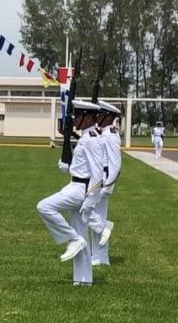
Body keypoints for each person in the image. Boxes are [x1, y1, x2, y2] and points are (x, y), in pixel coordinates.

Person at [36, 100, 104, 286]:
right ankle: (83, 280)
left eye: (78, 116)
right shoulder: (86, 138)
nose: (74, 119)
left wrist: (91, 200)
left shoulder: (90, 140)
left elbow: (98, 173)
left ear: (88, 117)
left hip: (80, 190)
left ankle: (72, 238)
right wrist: (69, 167)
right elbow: (84, 168)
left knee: (44, 207)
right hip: (77, 185)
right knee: (82, 232)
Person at [88, 101, 121, 266]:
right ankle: (99, 257)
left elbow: (115, 165)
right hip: (99, 178)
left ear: (109, 117)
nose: (98, 117)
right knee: (96, 217)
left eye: (101, 114)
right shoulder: (105, 133)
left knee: (89, 214)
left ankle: (100, 255)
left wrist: (108, 187)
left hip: (104, 180)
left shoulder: (110, 135)